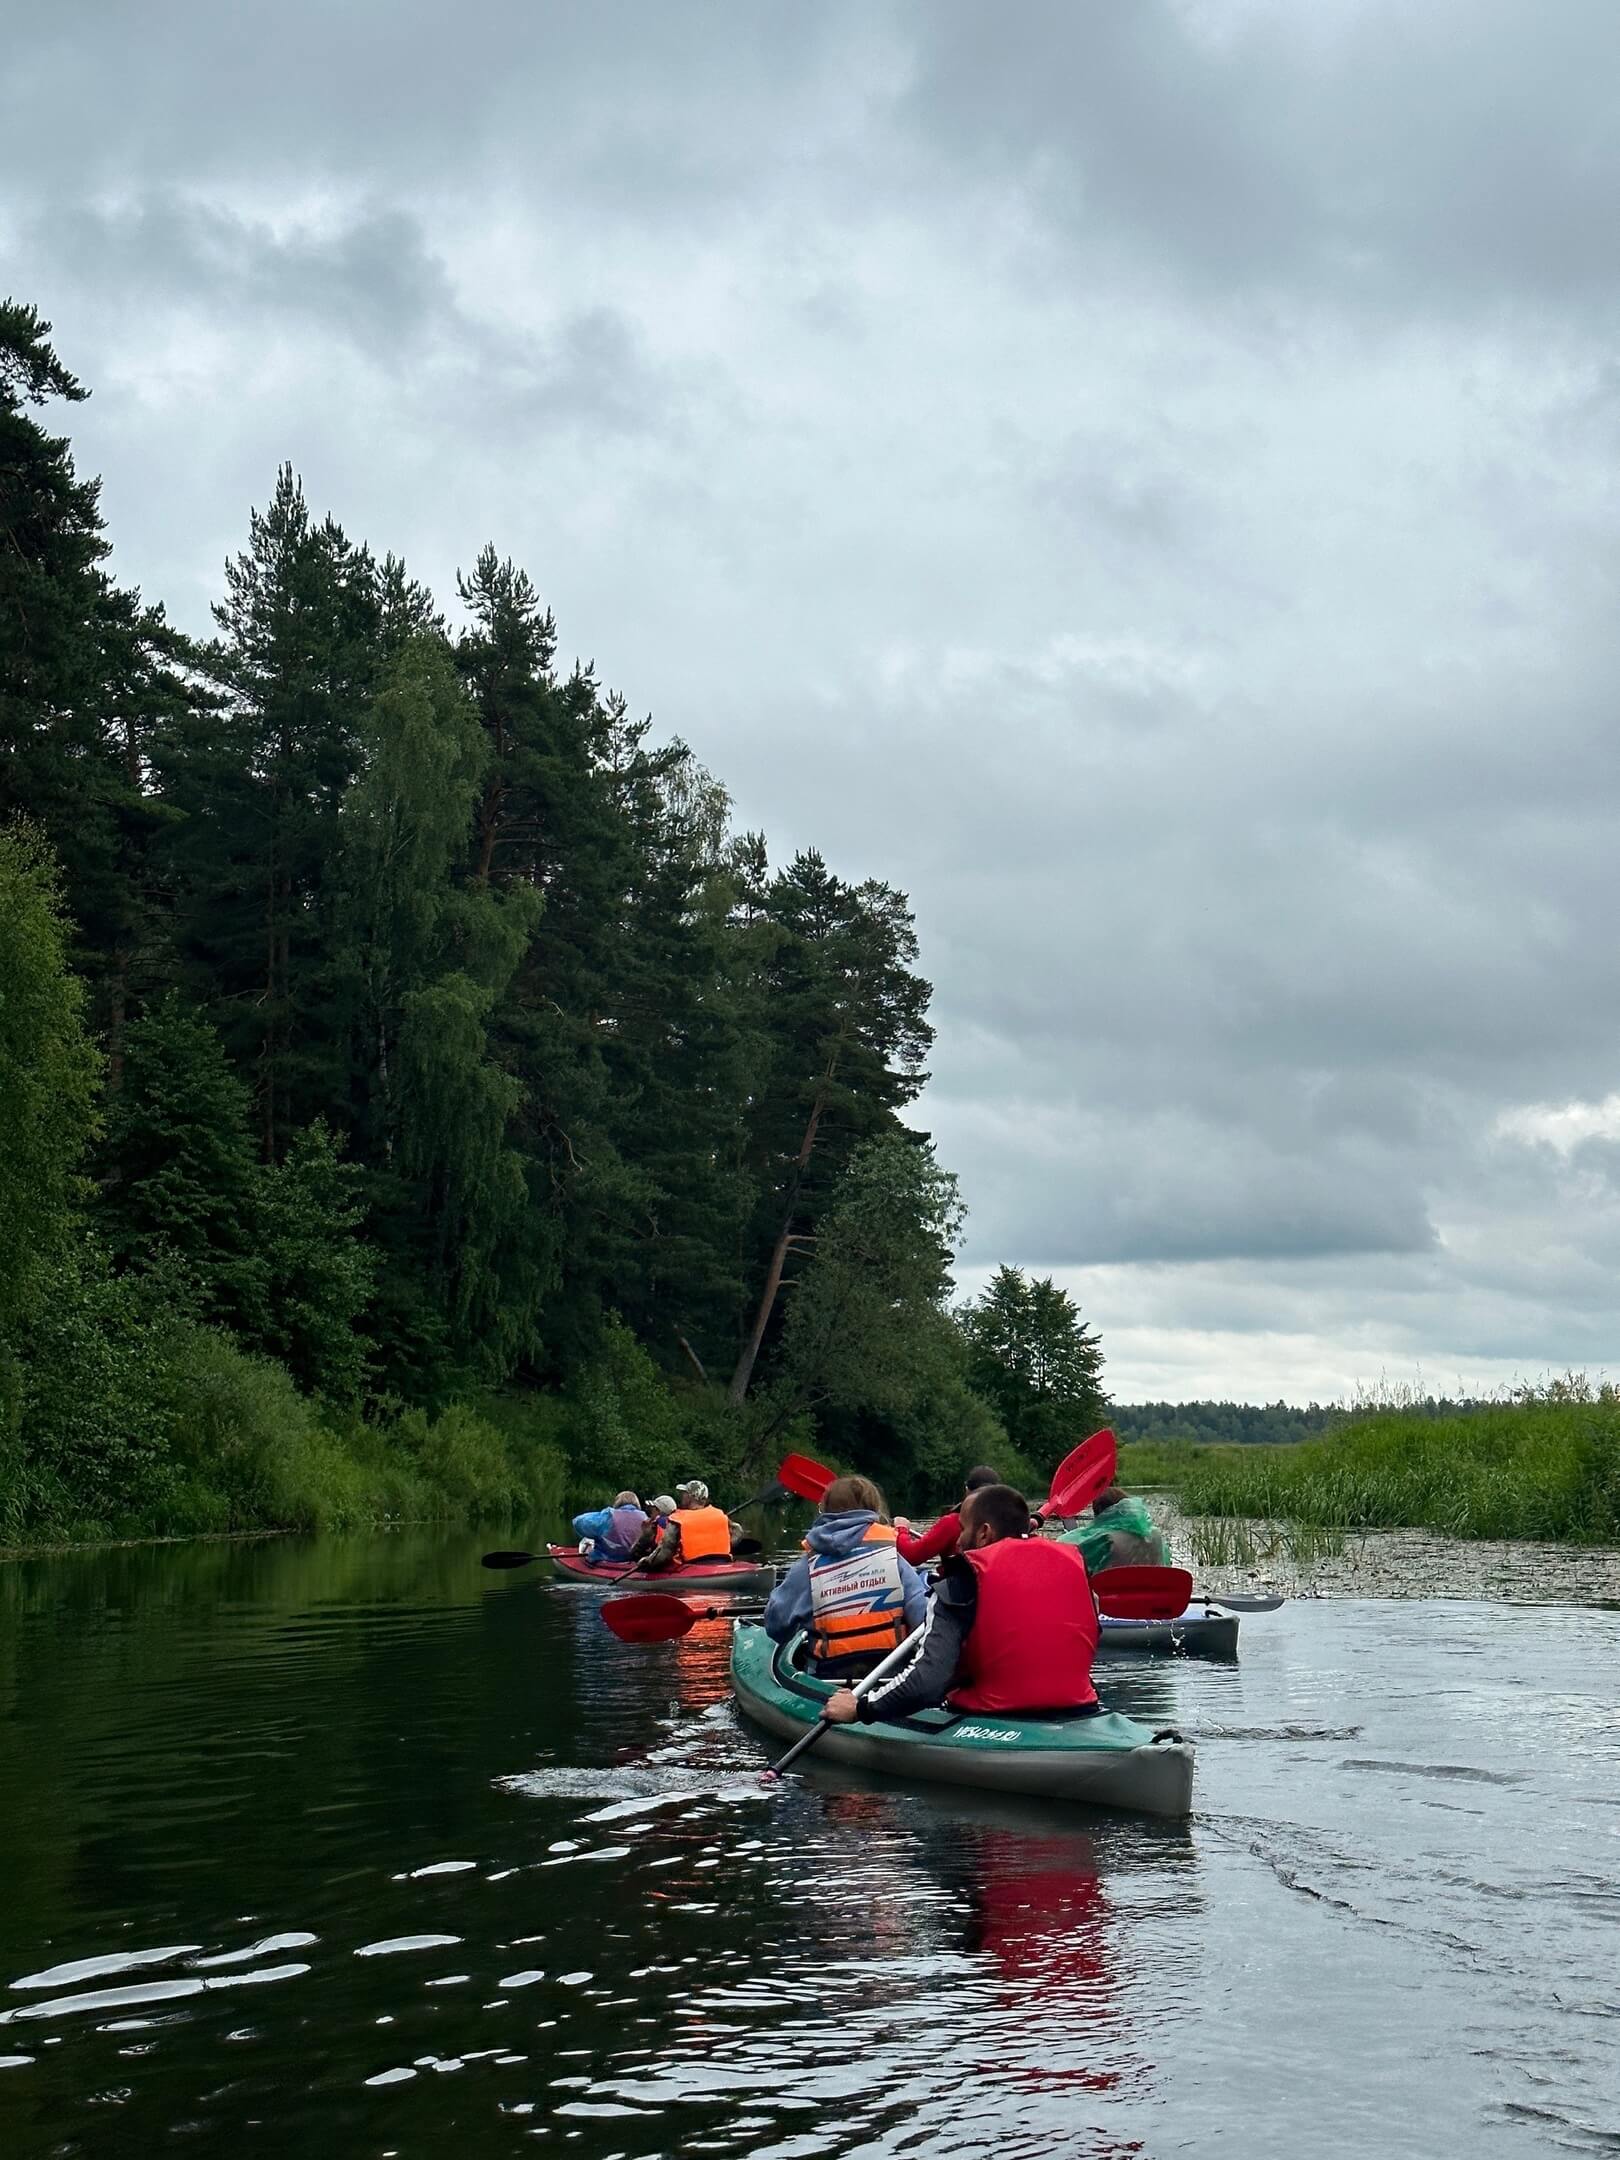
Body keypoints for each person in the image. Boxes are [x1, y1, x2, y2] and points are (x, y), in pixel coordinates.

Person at [825, 1482, 1099, 1724]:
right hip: (1081, 1710)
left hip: (995, 1718)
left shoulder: (960, 1580)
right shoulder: (1074, 1565)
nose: (957, 1540)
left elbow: (926, 1683)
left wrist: (860, 1708)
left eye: (963, 1527)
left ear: (983, 1533)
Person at [763, 1474, 928, 1678]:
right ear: (872, 1510)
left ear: (826, 1511)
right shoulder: (892, 1556)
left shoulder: (807, 1566)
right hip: (889, 1669)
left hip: (829, 1673)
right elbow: (922, 1617)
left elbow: (776, 1626)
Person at [893, 1464, 1002, 1566]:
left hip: (956, 1584)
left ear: (966, 1489)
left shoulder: (951, 1523)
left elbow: (912, 1556)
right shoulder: (1005, 1524)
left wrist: (901, 1529)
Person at [1055, 1485, 1172, 1577]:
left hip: (1114, 1601)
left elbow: (1071, 1560)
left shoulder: (1105, 1539)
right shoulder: (1155, 1534)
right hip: (1155, 1600)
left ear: (1100, 1513)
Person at [641, 1479, 734, 1572]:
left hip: (691, 1567)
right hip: (722, 1562)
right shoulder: (720, 1515)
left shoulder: (678, 1519)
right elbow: (737, 1533)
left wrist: (649, 1563)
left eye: (684, 1493)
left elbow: (666, 1551)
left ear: (689, 1497)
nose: (682, 1496)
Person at [570, 1490, 647, 1563]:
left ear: (617, 1503)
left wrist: (599, 1515)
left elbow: (578, 1522)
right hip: (634, 1560)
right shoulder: (645, 1518)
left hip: (608, 1558)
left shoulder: (609, 1516)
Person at [627, 1494, 677, 1564]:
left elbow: (634, 1552)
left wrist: (643, 1532)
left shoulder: (653, 1527)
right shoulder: (678, 1524)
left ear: (658, 1510)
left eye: (652, 1508)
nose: (650, 1511)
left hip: (657, 1567)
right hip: (675, 1565)